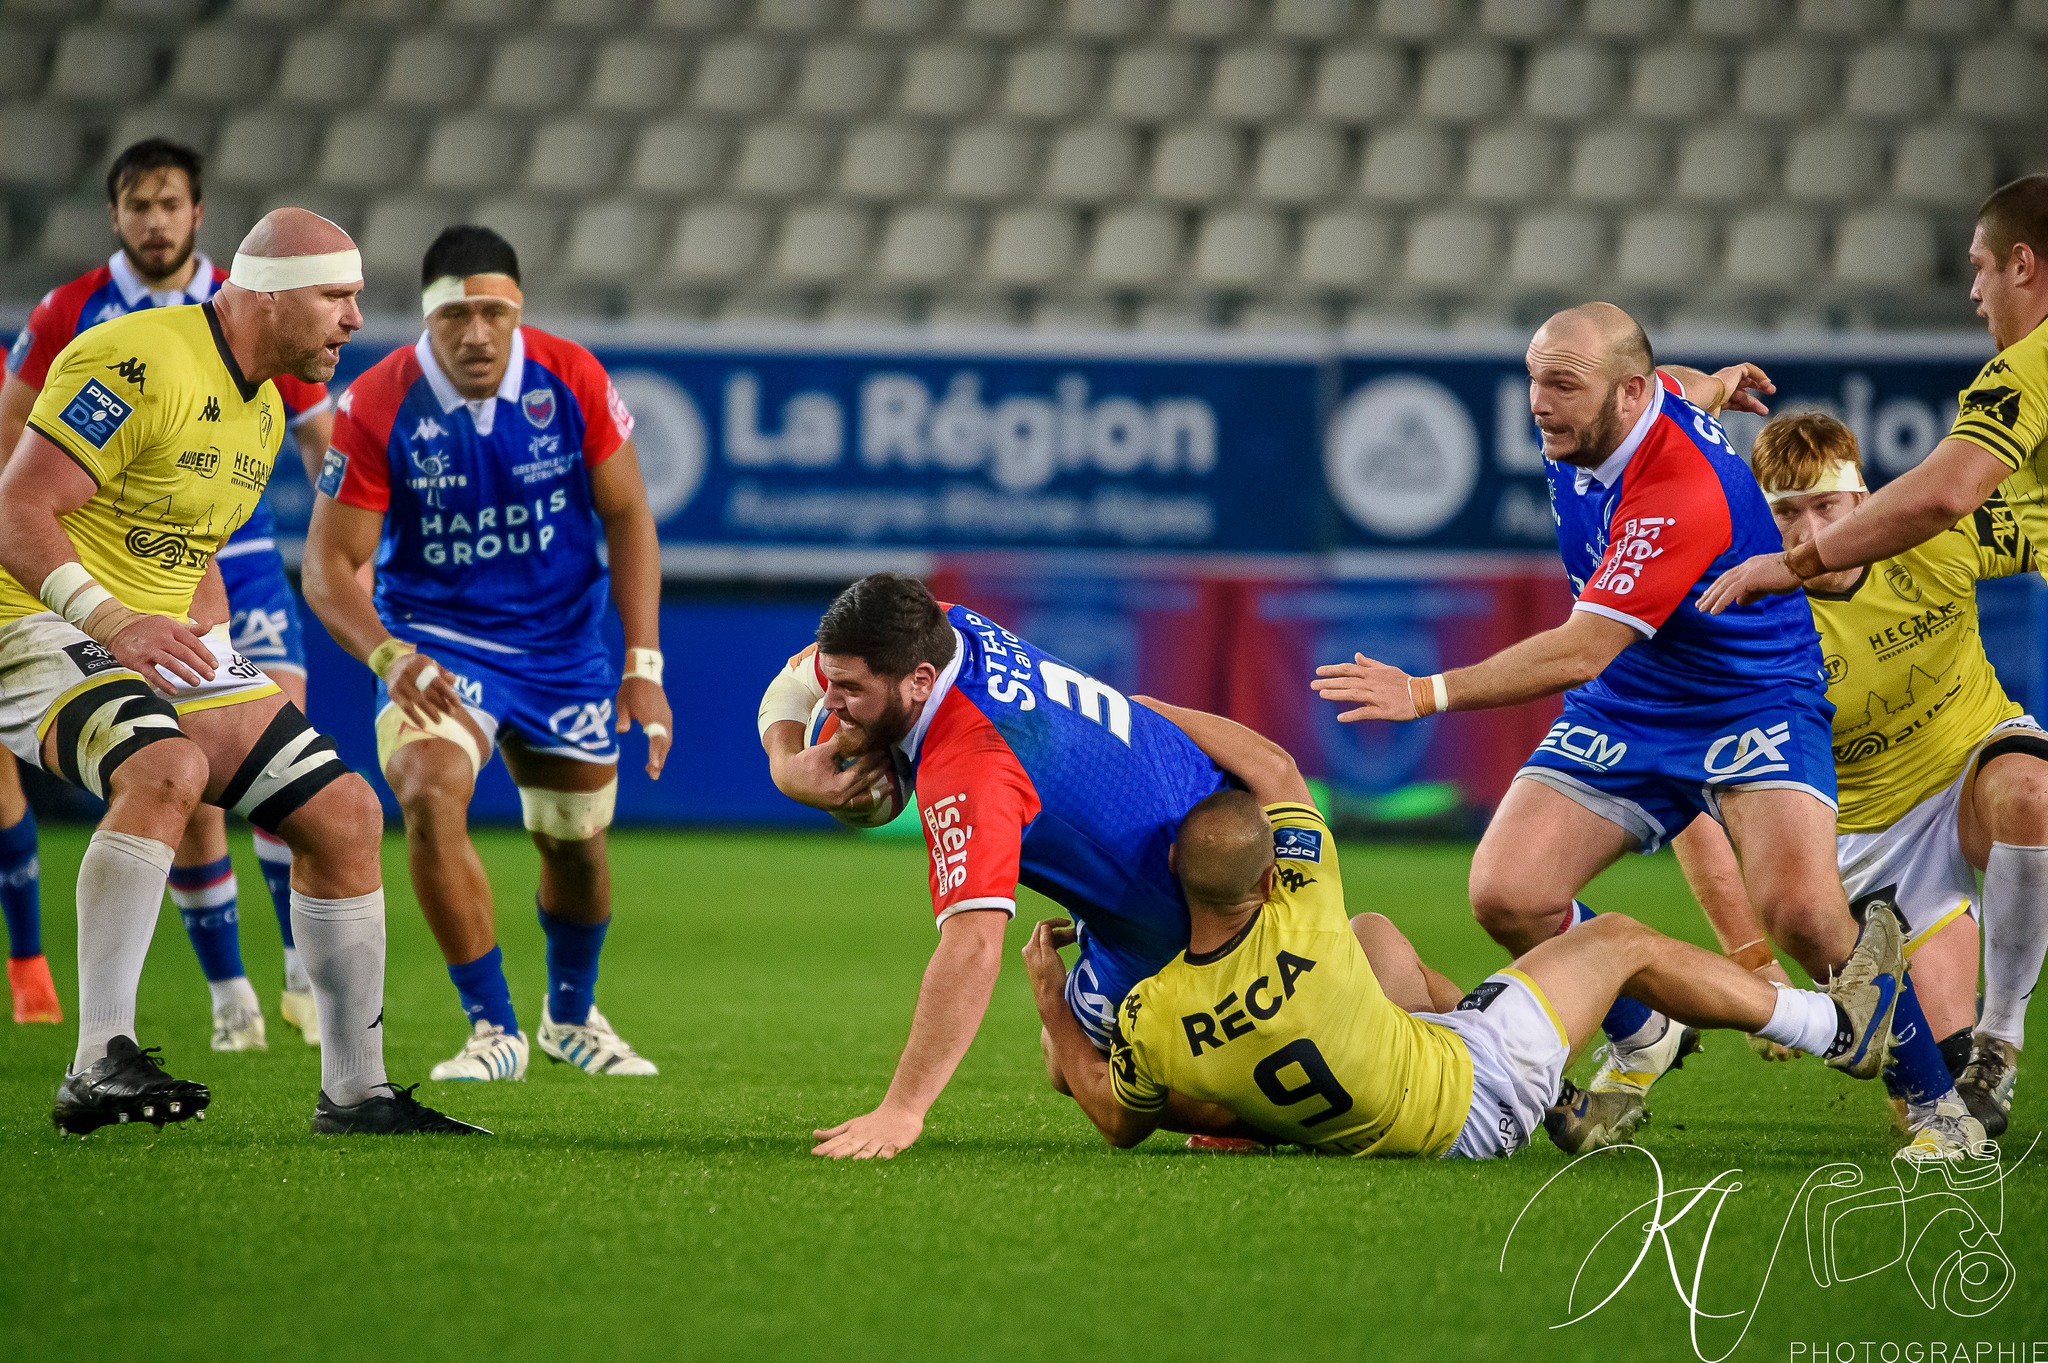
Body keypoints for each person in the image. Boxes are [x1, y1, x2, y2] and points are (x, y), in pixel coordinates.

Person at [1309, 302, 1981, 1161]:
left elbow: (1584, 649)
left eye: (1561, 384)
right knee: (1508, 892)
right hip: (1633, 700)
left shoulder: (1679, 489)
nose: (1539, 403)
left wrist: (1427, 691)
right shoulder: (1621, 408)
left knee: (1805, 913)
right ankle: (1645, 1026)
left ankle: (1937, 1107)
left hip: (1749, 697)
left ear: (1625, 396)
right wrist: (1721, 380)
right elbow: (1680, 383)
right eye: (1533, 380)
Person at [0, 208, 479, 1135]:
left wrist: (207, 634)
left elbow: (189, 539)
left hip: (155, 629)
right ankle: (97, 1057)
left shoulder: (262, 402)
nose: (352, 319)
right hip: (35, 616)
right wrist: (114, 618)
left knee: (344, 815)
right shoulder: (134, 358)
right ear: (267, 293)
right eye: (336, 296)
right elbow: (16, 506)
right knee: (165, 768)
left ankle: (355, 1091)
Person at [1023, 700, 1904, 1159]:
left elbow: (1106, 1108)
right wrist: (1138, 712)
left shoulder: (1153, 1012)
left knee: (1376, 939)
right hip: (1470, 1092)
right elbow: (1279, 766)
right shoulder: (1303, 902)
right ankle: (1834, 1023)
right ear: (1267, 876)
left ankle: (1570, 1101)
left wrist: (1051, 999)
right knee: (1620, 940)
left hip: (1367, 1096)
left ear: (1173, 874)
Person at [1701, 174, 2048, 1141]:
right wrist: (1753, 948)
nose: (1814, 526)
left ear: (1866, 500)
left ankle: (2004, 1038)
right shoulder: (1752, 617)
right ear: (1760, 525)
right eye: (1789, 514)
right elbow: (1707, 803)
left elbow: (2005, 512)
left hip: (1969, 763)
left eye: (1833, 505)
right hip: (1864, 845)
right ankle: (1934, 1025)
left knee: (2033, 793)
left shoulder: (1932, 530)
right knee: (1933, 1104)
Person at [302, 225, 668, 1084]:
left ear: (518, 311)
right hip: (436, 638)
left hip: (561, 645)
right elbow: (326, 567)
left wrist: (641, 666)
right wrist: (389, 656)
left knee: (575, 843)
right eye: (455, 314)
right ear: (426, 317)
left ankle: (570, 1017)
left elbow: (628, 517)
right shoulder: (378, 403)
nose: (476, 333)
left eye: (494, 311)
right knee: (429, 791)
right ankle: (489, 1026)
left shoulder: (572, 376)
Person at [0, 138, 336, 1050]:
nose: (155, 220)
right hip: (82, 556)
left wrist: (351, 524)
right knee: (172, 772)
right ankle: (225, 993)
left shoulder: (263, 308)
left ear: (198, 215)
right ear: (116, 216)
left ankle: (307, 974)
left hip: (223, 550)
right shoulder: (75, 313)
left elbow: (319, 439)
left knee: (297, 760)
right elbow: (15, 466)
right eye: (138, 205)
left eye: (170, 204)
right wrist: (74, 585)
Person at [757, 573, 1238, 1159]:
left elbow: (973, 948)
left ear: (919, 682)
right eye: (832, 683)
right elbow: (794, 679)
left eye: (850, 690)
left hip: (1181, 914)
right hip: (1218, 811)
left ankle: (1254, 1111)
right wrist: (785, 765)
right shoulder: (941, 625)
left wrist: (902, 1109)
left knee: (1073, 1066)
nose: (830, 701)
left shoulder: (971, 761)